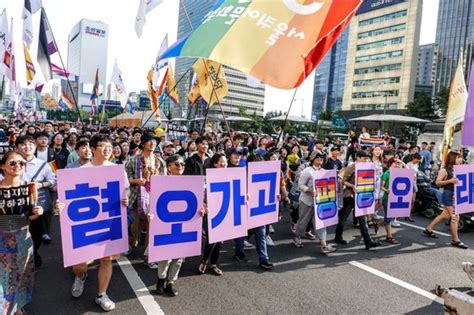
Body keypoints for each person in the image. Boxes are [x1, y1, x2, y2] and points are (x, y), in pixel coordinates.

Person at [62, 134, 129, 311]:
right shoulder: (81, 171)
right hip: (87, 221)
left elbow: (125, 191)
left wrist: (125, 200)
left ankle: (101, 294)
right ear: (92, 149)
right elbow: (69, 197)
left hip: (109, 219)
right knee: (80, 264)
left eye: (109, 146)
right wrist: (61, 204)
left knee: (107, 259)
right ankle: (81, 276)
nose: (108, 149)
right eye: (102, 146)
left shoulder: (117, 169)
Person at [0, 151, 44, 314]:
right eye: (12, 163)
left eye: (21, 163)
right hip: (1, 239)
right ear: (2, 166)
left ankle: (17, 307)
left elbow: (30, 216)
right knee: (3, 279)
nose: (17, 166)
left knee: (21, 275)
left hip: (23, 238)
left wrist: (37, 212)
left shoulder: (30, 188)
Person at [126, 132, 166, 268]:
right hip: (136, 197)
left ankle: (149, 256)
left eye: (155, 141)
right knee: (135, 227)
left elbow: (164, 180)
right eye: (150, 141)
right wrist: (135, 181)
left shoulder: (160, 161)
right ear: (143, 144)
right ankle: (131, 242)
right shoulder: (132, 160)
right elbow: (125, 180)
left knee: (152, 227)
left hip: (154, 198)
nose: (153, 143)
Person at [16, 135, 56, 267]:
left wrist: (41, 185)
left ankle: (34, 252)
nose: (27, 147)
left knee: (36, 233)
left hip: (37, 203)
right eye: (23, 144)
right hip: (17, 204)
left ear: (35, 147)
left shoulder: (43, 164)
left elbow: (53, 181)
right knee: (19, 232)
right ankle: (23, 256)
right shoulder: (11, 162)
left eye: (30, 144)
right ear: (17, 147)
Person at [334, 150, 381, 250]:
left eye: (367, 158)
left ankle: (368, 241)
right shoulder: (351, 167)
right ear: (358, 157)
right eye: (364, 158)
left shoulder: (367, 167)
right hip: (350, 196)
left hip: (361, 196)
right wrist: (352, 186)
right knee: (344, 217)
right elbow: (343, 181)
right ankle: (338, 236)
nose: (366, 160)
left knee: (362, 220)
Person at [156, 154, 187, 297]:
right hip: (166, 222)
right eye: (176, 164)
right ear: (169, 167)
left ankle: (171, 282)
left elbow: (201, 200)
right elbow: (155, 202)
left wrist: (202, 208)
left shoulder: (191, 183)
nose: (180, 166)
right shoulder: (161, 182)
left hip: (183, 222)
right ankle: (161, 280)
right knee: (165, 255)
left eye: (182, 164)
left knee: (179, 256)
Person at [293, 151, 336, 254]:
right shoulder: (307, 171)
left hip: (320, 202)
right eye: (317, 158)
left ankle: (323, 245)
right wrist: (310, 190)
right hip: (306, 201)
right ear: (312, 159)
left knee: (321, 223)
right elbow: (300, 185)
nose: (320, 159)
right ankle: (297, 236)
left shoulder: (324, 171)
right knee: (303, 222)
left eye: (321, 158)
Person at [424, 151, 468, 249]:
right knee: (455, 218)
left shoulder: (459, 169)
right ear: (453, 158)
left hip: (457, 196)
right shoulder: (445, 170)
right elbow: (438, 182)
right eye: (458, 157)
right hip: (448, 195)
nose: (461, 159)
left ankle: (429, 229)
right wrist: (450, 181)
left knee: (445, 215)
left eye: (461, 157)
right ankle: (455, 240)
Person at [197, 153, 226, 276]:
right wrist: (204, 204)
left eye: (226, 163)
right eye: (221, 162)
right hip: (210, 211)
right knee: (211, 238)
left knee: (219, 239)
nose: (224, 165)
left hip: (223, 210)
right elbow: (201, 194)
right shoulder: (206, 178)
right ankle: (204, 261)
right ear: (215, 164)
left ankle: (213, 264)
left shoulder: (229, 177)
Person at [376, 158, 402, 244]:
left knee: (390, 217)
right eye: (396, 163)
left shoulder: (398, 174)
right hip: (386, 199)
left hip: (395, 198)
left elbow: (409, 171)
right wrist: (386, 190)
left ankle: (378, 224)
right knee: (388, 217)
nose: (398, 165)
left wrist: (401, 162)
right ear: (391, 164)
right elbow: (381, 186)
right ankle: (389, 236)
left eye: (398, 164)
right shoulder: (386, 174)